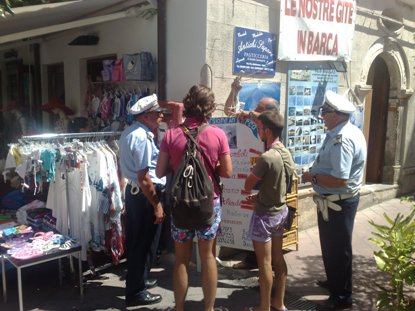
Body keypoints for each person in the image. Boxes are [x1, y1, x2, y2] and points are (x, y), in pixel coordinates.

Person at [156, 84, 232, 311]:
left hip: (180, 204)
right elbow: (227, 172)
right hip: (209, 204)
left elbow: (159, 172)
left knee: (181, 259)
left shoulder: (171, 134)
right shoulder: (218, 134)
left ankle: (179, 308)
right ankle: (208, 309)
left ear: (187, 104)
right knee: (207, 257)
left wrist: (177, 163)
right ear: (209, 108)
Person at [302, 90, 367, 310]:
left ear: (337, 115)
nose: (322, 116)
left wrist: (312, 177)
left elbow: (340, 179)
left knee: (338, 248)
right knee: (332, 247)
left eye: (325, 112)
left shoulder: (343, 139)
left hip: (338, 201)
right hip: (334, 201)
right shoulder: (346, 131)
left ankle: (341, 296)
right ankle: (335, 282)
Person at [221, 77, 280, 269]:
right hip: (252, 172)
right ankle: (254, 259)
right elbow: (230, 112)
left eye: (260, 110)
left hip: (267, 179)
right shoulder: (256, 122)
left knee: (263, 223)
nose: (256, 112)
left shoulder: (272, 127)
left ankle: (262, 265)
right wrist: (234, 92)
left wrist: (249, 112)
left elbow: (247, 114)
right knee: (251, 219)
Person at [242, 110, 294, 311]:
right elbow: (281, 184)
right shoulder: (285, 152)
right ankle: (279, 303)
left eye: (260, 128)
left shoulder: (267, 157)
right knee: (278, 258)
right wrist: (263, 193)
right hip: (280, 212)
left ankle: (263, 307)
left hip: (265, 215)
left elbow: (247, 185)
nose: (258, 131)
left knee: (264, 263)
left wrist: (257, 191)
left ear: (268, 130)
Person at [118, 94, 167, 307]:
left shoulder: (129, 133)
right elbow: (144, 177)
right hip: (144, 195)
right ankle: (136, 291)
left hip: (136, 194)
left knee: (141, 241)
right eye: (157, 113)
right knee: (143, 243)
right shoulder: (142, 137)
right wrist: (157, 204)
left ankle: (140, 278)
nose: (161, 116)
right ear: (146, 115)